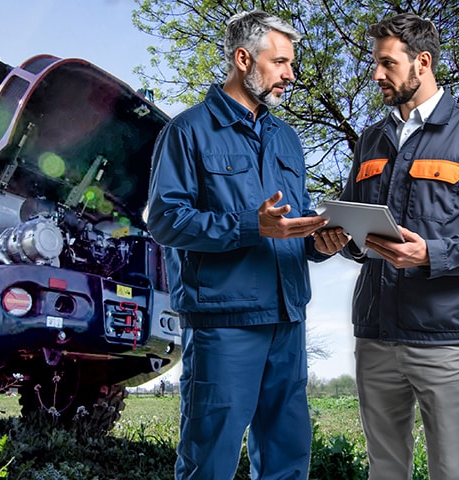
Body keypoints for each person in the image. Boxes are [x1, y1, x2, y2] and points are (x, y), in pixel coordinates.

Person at [314, 12, 459, 480]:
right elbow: (357, 230)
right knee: (385, 471)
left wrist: (430, 253)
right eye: (375, 63)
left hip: (443, 341)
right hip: (375, 335)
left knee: (452, 472)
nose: (376, 75)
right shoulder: (371, 140)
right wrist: (335, 240)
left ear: (422, 62)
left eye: (387, 64)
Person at [147, 10, 347, 480]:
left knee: (287, 460)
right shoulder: (187, 132)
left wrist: (321, 243)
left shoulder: (287, 140)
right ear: (243, 59)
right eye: (280, 63)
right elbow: (165, 221)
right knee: (209, 462)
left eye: (290, 64)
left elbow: (289, 225)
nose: (290, 75)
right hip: (224, 325)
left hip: (288, 319)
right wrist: (249, 227)